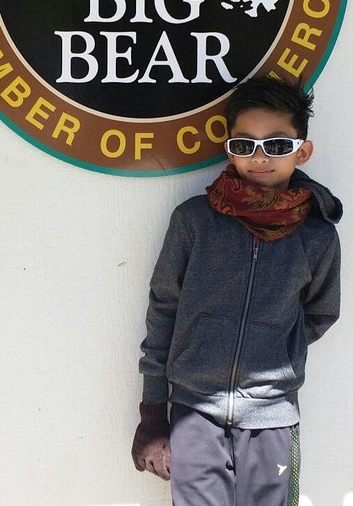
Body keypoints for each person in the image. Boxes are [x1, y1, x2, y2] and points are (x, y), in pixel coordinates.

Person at [131, 77, 341, 505]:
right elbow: (163, 310)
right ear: (229, 148)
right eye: (245, 145)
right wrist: (152, 413)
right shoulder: (194, 222)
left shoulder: (317, 237)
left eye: (278, 145)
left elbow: (320, 313)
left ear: (303, 151)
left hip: (272, 419)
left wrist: (274, 346)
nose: (260, 157)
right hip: (194, 412)